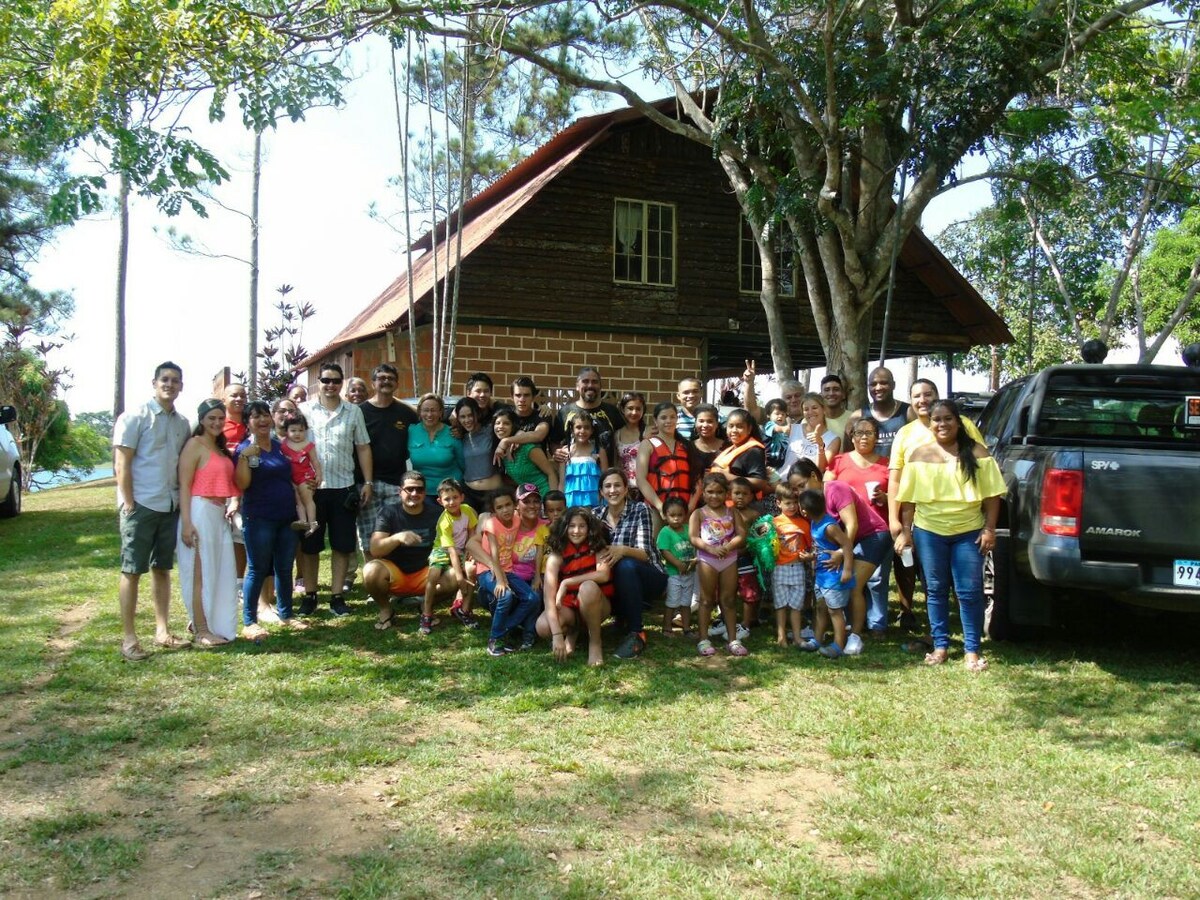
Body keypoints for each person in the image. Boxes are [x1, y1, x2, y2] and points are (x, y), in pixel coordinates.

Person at [895, 399, 1004, 672]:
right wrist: (906, 532)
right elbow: (908, 502)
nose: (942, 424)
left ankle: (972, 650)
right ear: (929, 424)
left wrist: (989, 529)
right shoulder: (919, 455)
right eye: (936, 420)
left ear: (959, 422)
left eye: (947, 419)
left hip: (969, 532)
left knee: (969, 592)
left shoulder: (978, 453)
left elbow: (992, 497)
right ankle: (940, 645)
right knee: (935, 589)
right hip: (929, 532)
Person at [112, 361, 193, 661]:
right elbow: (122, 463)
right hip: (142, 504)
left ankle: (162, 631)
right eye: (164, 379)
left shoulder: (182, 423)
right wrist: (129, 503)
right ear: (154, 382)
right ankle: (129, 638)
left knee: (162, 569)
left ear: (181, 386)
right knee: (132, 571)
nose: (169, 385)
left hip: (169, 505)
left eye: (175, 380)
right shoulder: (135, 416)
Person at [299, 363, 373, 617]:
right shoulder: (304, 410)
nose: (331, 385)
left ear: (342, 383)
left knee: (343, 545)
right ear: (318, 382)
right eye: (326, 380)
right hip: (312, 489)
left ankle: (337, 596)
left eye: (336, 381)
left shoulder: (353, 412)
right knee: (311, 545)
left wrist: (369, 482)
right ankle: (310, 595)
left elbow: (363, 447)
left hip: (344, 487)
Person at [234, 400, 309, 639]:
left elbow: (293, 475)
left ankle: (286, 615)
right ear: (248, 423)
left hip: (286, 517)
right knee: (257, 568)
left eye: (265, 415)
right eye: (256, 416)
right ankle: (249, 621)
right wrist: (246, 458)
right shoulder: (243, 449)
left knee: (284, 567)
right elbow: (242, 484)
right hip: (259, 518)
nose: (263, 420)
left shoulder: (280, 447)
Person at [177, 398, 240, 646]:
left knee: (221, 570)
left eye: (220, 418)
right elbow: (184, 484)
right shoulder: (194, 445)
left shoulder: (220, 448)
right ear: (201, 419)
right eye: (211, 418)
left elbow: (231, 483)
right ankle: (202, 630)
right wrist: (186, 522)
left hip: (218, 513)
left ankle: (210, 622)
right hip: (199, 510)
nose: (216, 422)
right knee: (199, 571)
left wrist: (233, 501)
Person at [826, 417, 898, 633]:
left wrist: (886, 498)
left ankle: (877, 625)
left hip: (878, 529)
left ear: (877, 437)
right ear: (852, 436)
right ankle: (851, 623)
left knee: (877, 580)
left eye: (869, 433)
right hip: (846, 529)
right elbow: (826, 487)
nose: (864, 437)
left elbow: (899, 494)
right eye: (859, 433)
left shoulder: (887, 464)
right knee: (849, 577)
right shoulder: (839, 461)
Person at [366, 471, 459, 631]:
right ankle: (386, 608)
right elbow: (375, 549)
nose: (415, 493)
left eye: (419, 489)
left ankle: (426, 603)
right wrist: (397, 538)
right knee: (371, 570)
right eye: (409, 489)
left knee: (456, 575)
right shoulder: (388, 512)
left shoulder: (437, 513)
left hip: (427, 573)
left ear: (424, 492)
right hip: (396, 573)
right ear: (400, 491)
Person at [593, 468, 666, 659]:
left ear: (626, 489)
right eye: (607, 486)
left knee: (625, 564)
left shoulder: (640, 509)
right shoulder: (595, 515)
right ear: (601, 492)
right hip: (613, 577)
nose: (612, 490)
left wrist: (622, 549)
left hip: (649, 575)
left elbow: (645, 553)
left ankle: (637, 633)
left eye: (617, 485)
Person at [468, 485, 543, 656]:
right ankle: (495, 639)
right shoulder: (491, 525)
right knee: (505, 596)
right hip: (488, 570)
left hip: (507, 569)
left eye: (508, 505)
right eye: (500, 507)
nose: (505, 510)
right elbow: (493, 553)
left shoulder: (517, 519)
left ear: (515, 505)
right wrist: (501, 579)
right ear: (493, 511)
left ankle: (502, 630)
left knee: (531, 597)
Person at [357, 364, 420, 562]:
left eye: (390, 378)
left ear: (397, 384)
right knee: (368, 536)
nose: (386, 381)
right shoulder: (360, 412)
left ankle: (391, 580)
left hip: (396, 483)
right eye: (381, 377)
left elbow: (427, 421)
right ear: (373, 383)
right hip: (366, 483)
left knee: (394, 534)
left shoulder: (406, 413)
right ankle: (373, 578)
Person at [535, 508, 613, 666]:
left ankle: (595, 643)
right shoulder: (556, 556)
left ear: (589, 528)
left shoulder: (598, 547)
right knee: (543, 627)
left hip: (596, 604)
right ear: (564, 528)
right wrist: (557, 635)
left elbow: (603, 575)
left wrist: (567, 582)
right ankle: (573, 631)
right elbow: (549, 600)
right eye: (571, 526)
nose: (576, 531)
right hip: (570, 607)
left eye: (582, 526)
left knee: (588, 587)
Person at [690, 473, 748, 657]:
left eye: (719, 492)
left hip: (729, 559)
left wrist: (729, 546)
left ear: (727, 494)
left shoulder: (733, 512)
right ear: (704, 493)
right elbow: (693, 537)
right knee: (706, 600)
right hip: (708, 560)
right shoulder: (698, 513)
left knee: (729, 600)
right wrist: (710, 549)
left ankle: (733, 639)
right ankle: (703, 639)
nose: (714, 496)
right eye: (710, 492)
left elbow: (741, 534)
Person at [797, 489, 856, 658]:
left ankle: (838, 645)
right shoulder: (815, 522)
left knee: (835, 611)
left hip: (835, 576)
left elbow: (847, 545)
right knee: (821, 608)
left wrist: (847, 569)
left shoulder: (829, 526)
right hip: (822, 575)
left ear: (804, 511)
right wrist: (811, 556)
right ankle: (817, 639)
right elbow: (823, 547)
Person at [420, 478, 478, 634]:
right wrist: (459, 578)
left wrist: (470, 550)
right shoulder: (444, 521)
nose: (452, 502)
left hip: (462, 549)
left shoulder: (467, 510)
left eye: (455, 497)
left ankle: (464, 609)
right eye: (447, 499)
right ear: (440, 501)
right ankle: (426, 613)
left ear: (462, 497)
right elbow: (450, 550)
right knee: (433, 575)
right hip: (443, 550)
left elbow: (472, 531)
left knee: (472, 569)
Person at [636, 401, 693, 524]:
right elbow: (640, 479)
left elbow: (697, 479)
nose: (669, 421)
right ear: (655, 421)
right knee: (656, 542)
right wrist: (660, 506)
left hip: (683, 510)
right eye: (663, 417)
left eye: (673, 417)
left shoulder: (686, 446)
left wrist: (690, 507)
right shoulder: (647, 444)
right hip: (657, 507)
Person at [771, 484, 813, 648]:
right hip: (779, 567)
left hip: (797, 568)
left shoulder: (804, 524)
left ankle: (797, 636)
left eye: (795, 502)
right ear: (778, 503)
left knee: (796, 605)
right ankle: (781, 636)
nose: (792, 506)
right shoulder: (773, 523)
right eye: (788, 503)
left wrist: (808, 557)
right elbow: (765, 544)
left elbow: (810, 546)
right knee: (780, 605)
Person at [554, 366, 624, 457]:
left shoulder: (612, 411)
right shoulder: (564, 412)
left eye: (594, 382)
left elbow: (627, 434)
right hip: (574, 469)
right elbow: (554, 441)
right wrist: (557, 452)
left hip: (605, 470)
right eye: (585, 381)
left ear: (600, 386)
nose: (590, 385)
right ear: (577, 386)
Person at [844, 366, 911, 457]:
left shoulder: (908, 412)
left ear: (893, 385)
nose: (878, 388)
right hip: (869, 470)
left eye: (883, 383)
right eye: (873, 384)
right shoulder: (857, 416)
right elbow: (848, 454)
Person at [656, 496, 696, 637]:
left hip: (689, 572)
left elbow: (695, 544)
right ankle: (667, 628)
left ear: (685, 515)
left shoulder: (688, 529)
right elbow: (664, 551)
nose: (676, 518)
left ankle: (686, 628)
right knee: (672, 602)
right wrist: (678, 564)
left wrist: (695, 561)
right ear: (665, 515)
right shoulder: (665, 532)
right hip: (674, 574)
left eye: (680, 515)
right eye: (672, 515)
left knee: (686, 603)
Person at [455, 396, 503, 511]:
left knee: (487, 526)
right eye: (462, 417)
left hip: (492, 493)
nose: (467, 420)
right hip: (468, 494)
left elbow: (513, 417)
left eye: (470, 415)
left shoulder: (491, 431)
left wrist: (506, 441)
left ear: (478, 413)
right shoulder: (460, 436)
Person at [707, 408, 770, 497]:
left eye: (740, 426)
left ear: (749, 429)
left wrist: (728, 477)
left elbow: (760, 483)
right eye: (731, 426)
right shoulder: (729, 449)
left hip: (743, 506)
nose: (734, 430)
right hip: (722, 503)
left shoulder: (754, 450)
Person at [495, 408, 557, 496]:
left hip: (544, 494)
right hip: (528, 499)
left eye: (506, 423)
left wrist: (552, 499)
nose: (500, 426)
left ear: (513, 426)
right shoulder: (502, 451)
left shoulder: (527, 447)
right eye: (497, 423)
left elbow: (551, 473)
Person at [408, 393, 464, 485]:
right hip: (421, 490)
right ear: (419, 412)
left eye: (433, 410)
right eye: (425, 410)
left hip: (450, 491)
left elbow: (463, 464)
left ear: (441, 412)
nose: (429, 414)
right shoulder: (411, 431)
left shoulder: (453, 433)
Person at [281, 413, 321, 535]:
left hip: (306, 477)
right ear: (287, 431)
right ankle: (303, 521)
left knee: (307, 499)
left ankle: (313, 522)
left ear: (305, 430)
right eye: (293, 430)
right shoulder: (284, 444)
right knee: (298, 499)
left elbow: (315, 461)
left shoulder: (308, 445)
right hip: (292, 478)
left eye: (300, 430)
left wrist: (318, 475)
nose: (297, 433)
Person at [782, 392, 841, 473]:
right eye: (806, 409)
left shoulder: (834, 440)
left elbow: (821, 469)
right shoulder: (792, 429)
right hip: (780, 480)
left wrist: (821, 446)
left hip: (808, 485)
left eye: (814, 408)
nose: (810, 412)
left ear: (823, 409)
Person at [561, 412, 608, 508]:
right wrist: (560, 501)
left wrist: (603, 497)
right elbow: (562, 481)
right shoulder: (566, 451)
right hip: (571, 500)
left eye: (586, 427)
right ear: (572, 430)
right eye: (578, 427)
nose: (582, 431)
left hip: (594, 500)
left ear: (592, 430)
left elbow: (606, 478)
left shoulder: (599, 450)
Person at [613, 391, 647, 491]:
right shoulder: (617, 435)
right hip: (625, 489)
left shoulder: (650, 431)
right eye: (630, 408)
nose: (634, 412)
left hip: (646, 488)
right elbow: (616, 463)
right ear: (623, 410)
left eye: (638, 409)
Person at [688, 403, 726, 481]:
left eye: (710, 421)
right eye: (701, 421)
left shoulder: (728, 447)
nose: (705, 425)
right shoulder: (688, 448)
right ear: (695, 423)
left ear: (717, 424)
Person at [820, 374, 853, 441]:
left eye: (836, 389)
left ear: (843, 394)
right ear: (821, 395)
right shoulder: (811, 419)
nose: (831, 393)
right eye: (827, 390)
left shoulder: (853, 418)